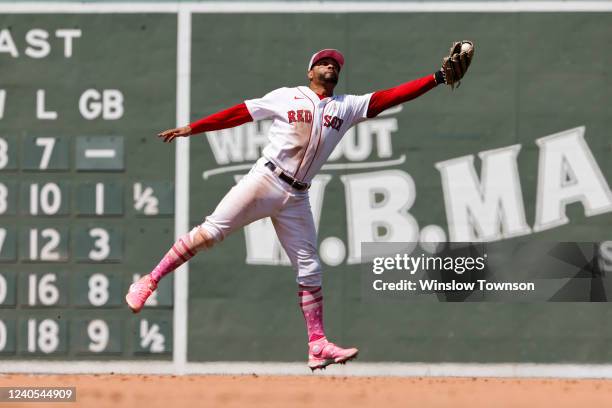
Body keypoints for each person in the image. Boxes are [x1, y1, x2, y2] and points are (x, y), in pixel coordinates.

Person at [126, 46, 472, 371]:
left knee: (310, 269)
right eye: (324, 61)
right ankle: (150, 280)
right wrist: (194, 128)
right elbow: (239, 114)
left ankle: (317, 344)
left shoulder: (346, 106)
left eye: (335, 63)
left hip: (297, 197)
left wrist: (438, 78)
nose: (331, 65)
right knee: (209, 233)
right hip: (265, 179)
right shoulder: (286, 96)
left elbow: (390, 97)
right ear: (310, 72)